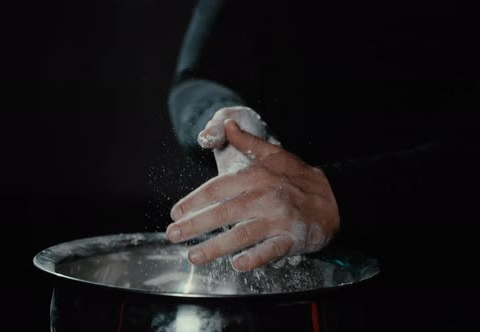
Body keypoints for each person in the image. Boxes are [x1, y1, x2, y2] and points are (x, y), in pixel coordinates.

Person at [166, 0, 479, 329]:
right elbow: (199, 75)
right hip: (285, 277)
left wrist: (341, 195)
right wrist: (226, 122)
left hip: (444, 271)